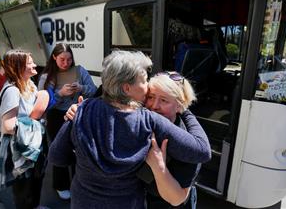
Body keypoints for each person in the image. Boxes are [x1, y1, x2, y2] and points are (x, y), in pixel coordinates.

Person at [48, 50, 211, 209]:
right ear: (127, 88)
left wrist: (83, 155)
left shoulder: (82, 110)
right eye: (145, 80)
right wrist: (185, 110)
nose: (148, 87)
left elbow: (56, 157)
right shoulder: (149, 121)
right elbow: (202, 150)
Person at [38, 43, 97, 200]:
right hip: (56, 117)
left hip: (78, 114)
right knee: (59, 150)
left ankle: (80, 183)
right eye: (62, 59)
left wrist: (81, 88)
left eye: (69, 59)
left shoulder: (80, 71)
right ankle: (61, 185)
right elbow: (42, 104)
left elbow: (94, 91)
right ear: (54, 58)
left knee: (80, 151)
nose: (66, 63)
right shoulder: (47, 77)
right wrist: (59, 94)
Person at [142, 71, 205, 208]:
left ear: (179, 106)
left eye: (164, 100)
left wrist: (159, 168)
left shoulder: (187, 142)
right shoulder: (144, 121)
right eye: (151, 97)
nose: (154, 106)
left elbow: (177, 198)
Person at [0, 49, 48, 209]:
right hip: (20, 147)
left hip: (32, 143)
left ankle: (35, 206)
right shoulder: (12, 91)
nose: (34, 64)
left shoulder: (29, 84)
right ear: (18, 67)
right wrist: (36, 119)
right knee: (24, 188)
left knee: (35, 180)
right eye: (29, 62)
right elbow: (8, 126)